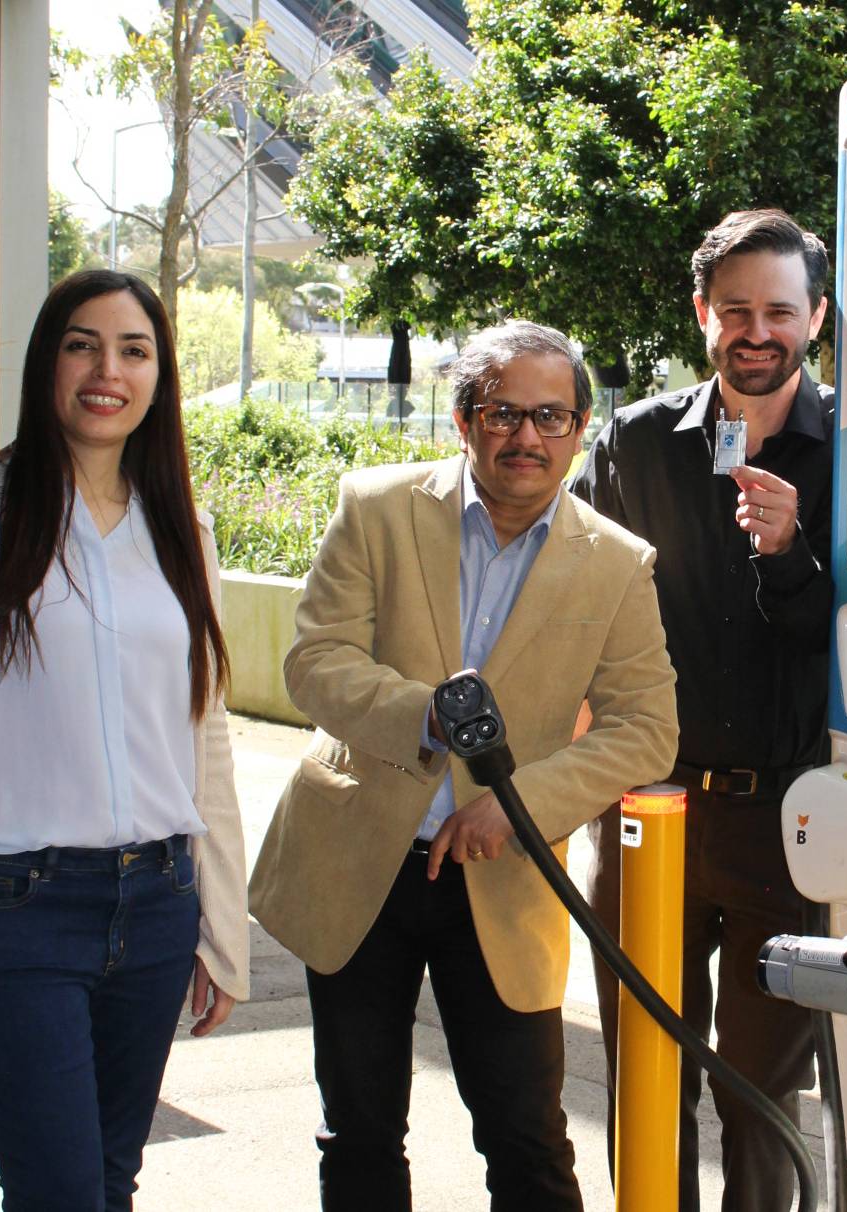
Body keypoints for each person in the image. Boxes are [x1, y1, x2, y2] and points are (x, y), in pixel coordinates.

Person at [248, 320, 679, 1212]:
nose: (527, 437)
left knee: (527, 1145)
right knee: (359, 1132)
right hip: (361, 864)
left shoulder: (618, 565)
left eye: (551, 417)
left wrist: (515, 806)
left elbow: (646, 730)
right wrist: (425, 715)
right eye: (503, 413)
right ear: (463, 419)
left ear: (581, 425)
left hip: (505, 876)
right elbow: (315, 661)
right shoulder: (375, 507)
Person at [0, 269, 250, 1211]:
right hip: (14, 915)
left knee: (108, 1182)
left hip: (156, 905)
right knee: (62, 1193)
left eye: (134, 350)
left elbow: (205, 735)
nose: (106, 371)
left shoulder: (181, 528)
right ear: (47, 362)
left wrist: (220, 923)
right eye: (82, 344)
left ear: (159, 375)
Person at [570, 208, 833, 1212]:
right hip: (649, 813)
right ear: (702, 316)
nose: (755, 332)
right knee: (648, 1070)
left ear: (816, 317)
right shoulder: (637, 444)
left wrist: (791, 556)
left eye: (778, 310)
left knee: (763, 1096)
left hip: (790, 825)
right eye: (735, 311)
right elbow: (584, 612)